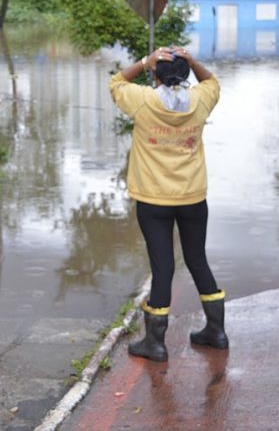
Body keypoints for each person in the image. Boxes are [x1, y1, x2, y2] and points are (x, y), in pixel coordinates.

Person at [109, 45, 228, 362]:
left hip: (153, 200)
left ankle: (155, 343)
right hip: (192, 197)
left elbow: (116, 83)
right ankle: (216, 332)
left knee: (163, 268)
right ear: (187, 74)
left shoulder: (143, 101)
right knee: (197, 260)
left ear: (155, 75)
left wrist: (145, 61)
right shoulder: (200, 101)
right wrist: (193, 60)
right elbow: (213, 82)